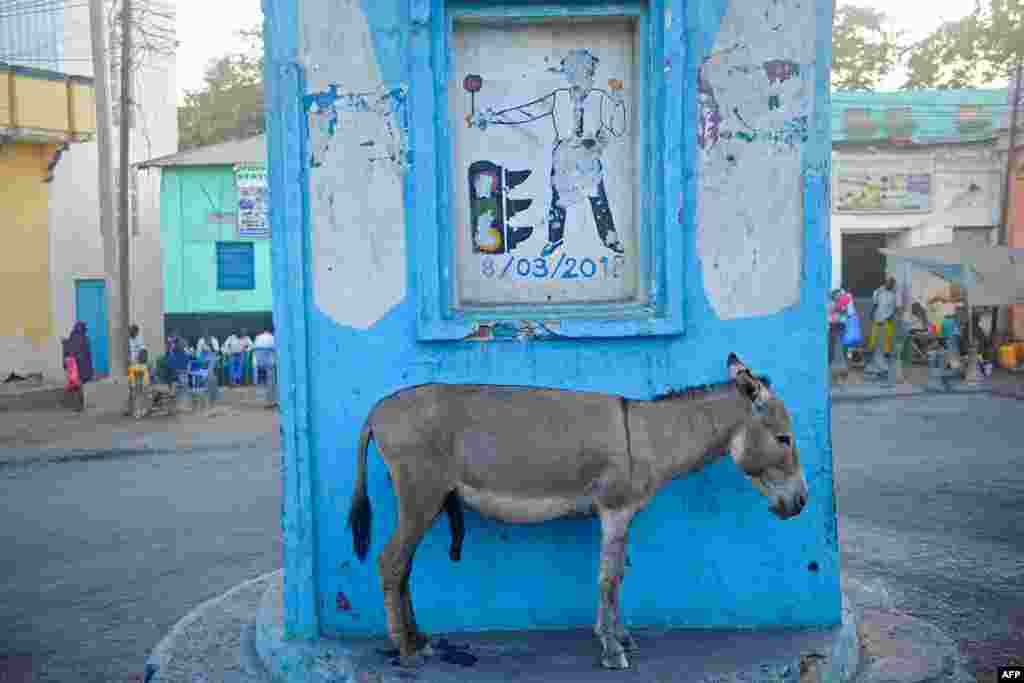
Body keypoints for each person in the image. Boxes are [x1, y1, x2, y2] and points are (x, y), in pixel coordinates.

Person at [867, 276, 899, 374]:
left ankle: (885, 366)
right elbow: (875, 305)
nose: (892, 285)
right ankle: (872, 364)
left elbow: (895, 308)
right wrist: (871, 314)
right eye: (890, 283)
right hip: (877, 321)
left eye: (893, 284)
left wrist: (892, 316)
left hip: (888, 322)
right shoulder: (878, 292)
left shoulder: (894, 294)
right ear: (886, 283)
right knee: (873, 342)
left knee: (887, 344)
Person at [828, 288, 853, 371]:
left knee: (844, 344)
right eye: (836, 295)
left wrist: (843, 309)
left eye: (840, 295)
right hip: (833, 325)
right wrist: (839, 308)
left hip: (841, 325)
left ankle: (846, 362)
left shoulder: (845, 304)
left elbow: (849, 313)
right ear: (833, 296)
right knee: (831, 345)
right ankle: (830, 363)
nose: (838, 296)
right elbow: (831, 311)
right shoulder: (830, 303)